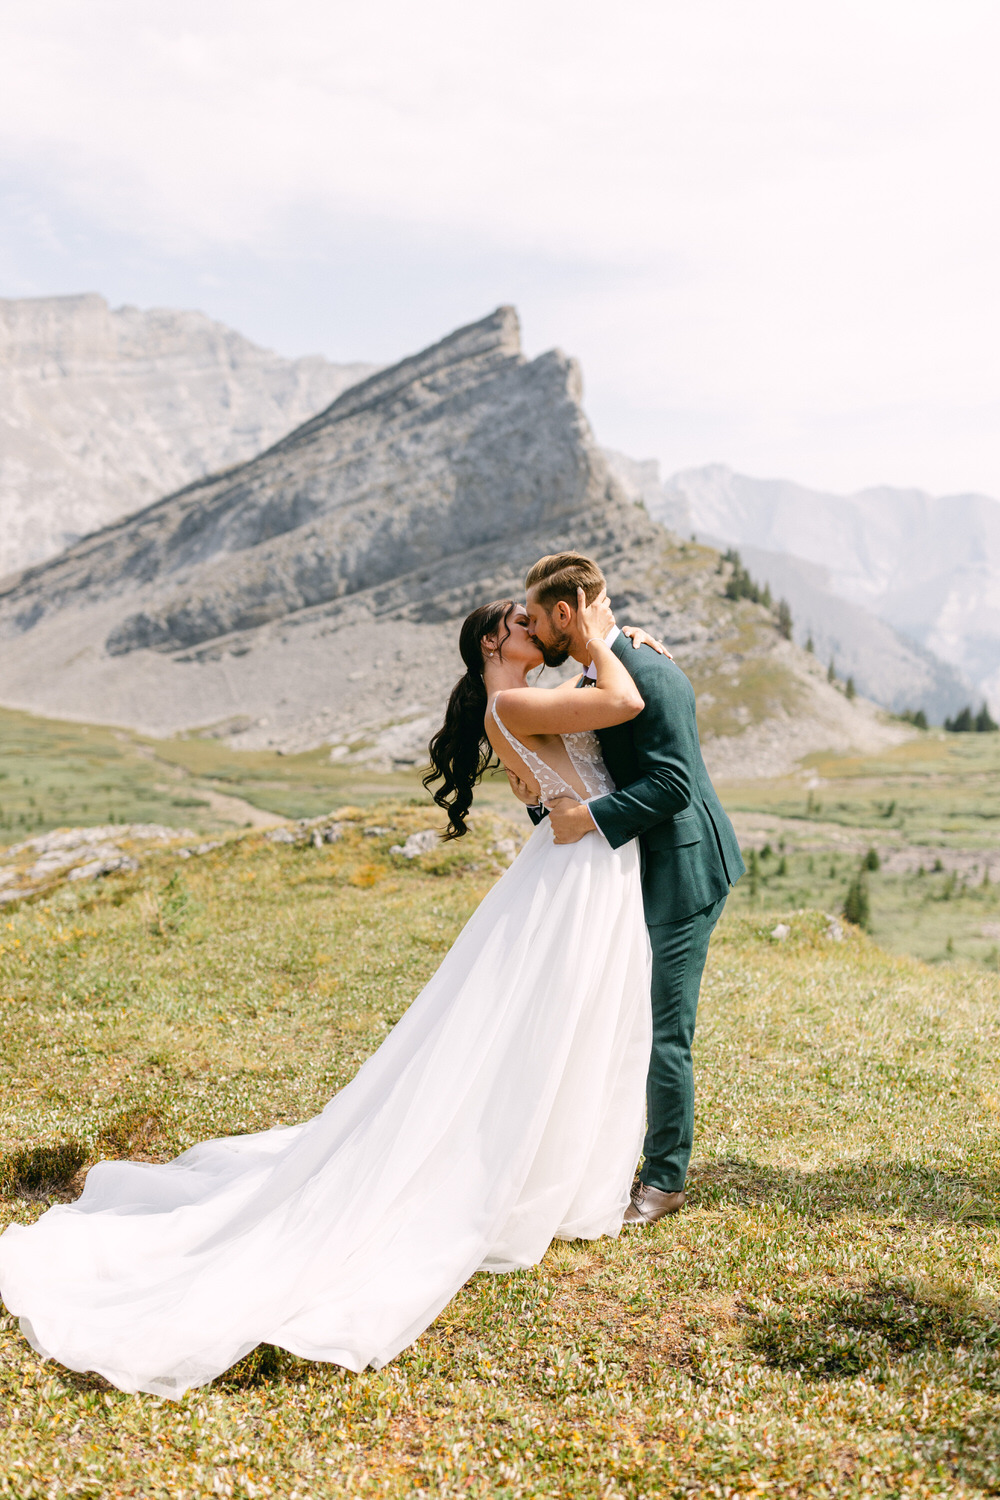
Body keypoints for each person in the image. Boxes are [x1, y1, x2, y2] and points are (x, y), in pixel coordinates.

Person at [0, 591, 664, 1399]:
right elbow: (621, 700)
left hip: (587, 866)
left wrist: (618, 643)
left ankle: (546, 1175)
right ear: (496, 641)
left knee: (571, 1022)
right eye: (526, 624)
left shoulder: (524, 697)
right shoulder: (513, 698)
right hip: (574, 876)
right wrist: (608, 642)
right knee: (541, 1022)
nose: (543, 629)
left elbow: (598, 714)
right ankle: (512, 1175)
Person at [511, 552, 745, 1225]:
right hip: (635, 868)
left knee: (663, 1028)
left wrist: (586, 819)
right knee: (625, 1015)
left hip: (684, 867)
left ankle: (665, 1181)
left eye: (537, 618)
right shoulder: (605, 672)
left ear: (567, 612)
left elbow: (673, 785)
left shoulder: (648, 670)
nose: (533, 630)